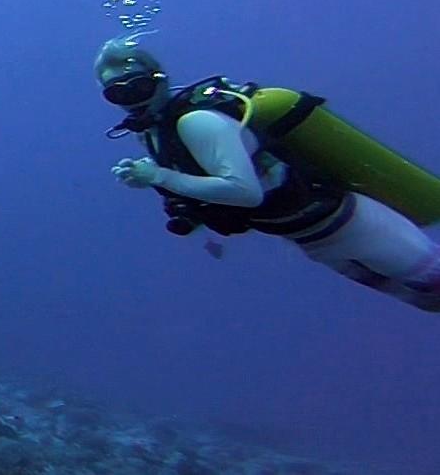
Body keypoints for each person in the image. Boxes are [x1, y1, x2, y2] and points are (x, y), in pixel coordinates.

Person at [95, 35, 440, 312]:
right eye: (117, 93)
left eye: (137, 87)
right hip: (314, 241)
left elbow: (246, 192)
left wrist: (157, 177)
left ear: (159, 80)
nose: (130, 100)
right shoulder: (155, 135)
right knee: (427, 302)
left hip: (353, 225)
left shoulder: (196, 121)